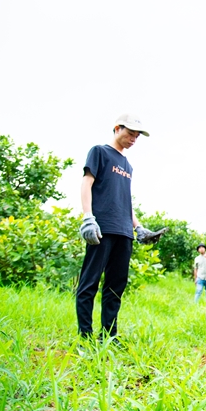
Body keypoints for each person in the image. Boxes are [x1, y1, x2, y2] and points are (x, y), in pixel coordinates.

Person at [77, 114, 163, 342]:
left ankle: (108, 336)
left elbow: (125, 201)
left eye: (137, 136)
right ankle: (84, 337)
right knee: (90, 282)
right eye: (130, 133)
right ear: (117, 128)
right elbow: (87, 182)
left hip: (124, 232)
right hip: (101, 228)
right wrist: (88, 217)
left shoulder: (128, 165)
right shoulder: (99, 152)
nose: (133, 138)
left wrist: (139, 228)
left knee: (115, 287)